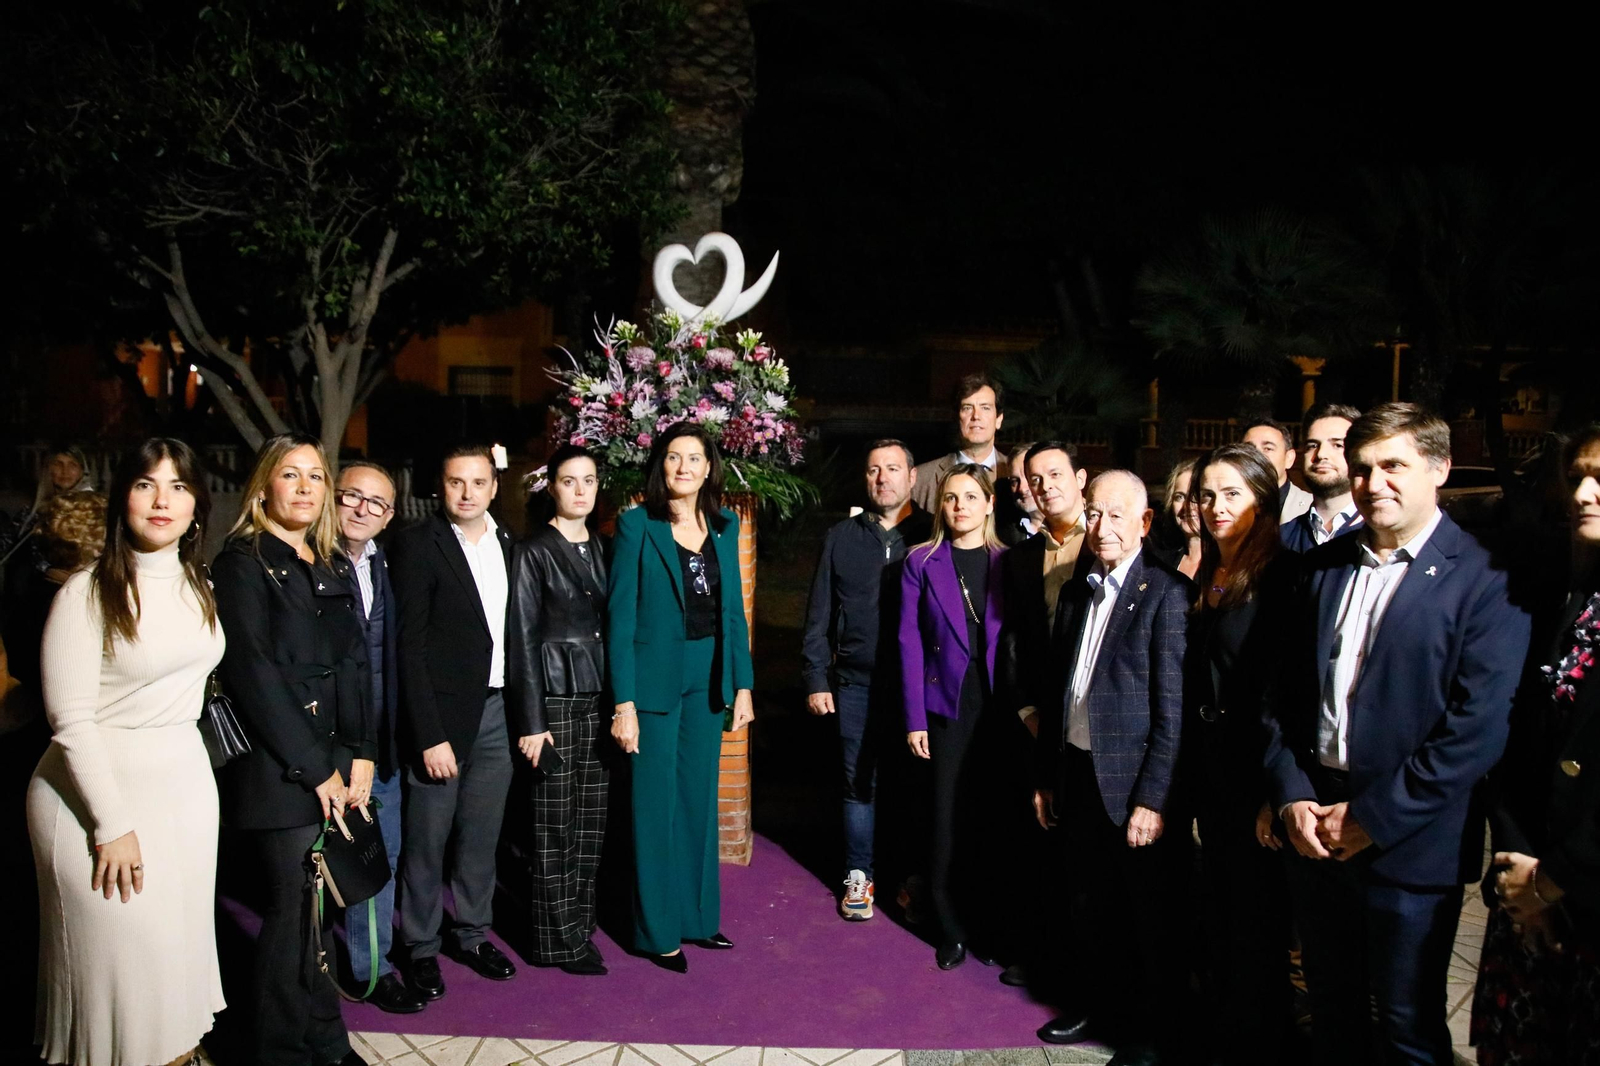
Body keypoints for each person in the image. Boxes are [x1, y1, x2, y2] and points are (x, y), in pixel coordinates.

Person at [1263, 403, 1530, 1066]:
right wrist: (1292, 794)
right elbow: (1281, 695)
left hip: (1412, 846)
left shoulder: (1486, 576)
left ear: (1439, 469)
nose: (1372, 483)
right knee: (1332, 1012)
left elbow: (1477, 730)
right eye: (1361, 469)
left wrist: (1372, 819)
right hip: (1315, 831)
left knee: (1408, 1028)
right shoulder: (1319, 567)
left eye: (1393, 466)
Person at [27, 439, 225, 1066]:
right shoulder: (86, 592)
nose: (162, 500)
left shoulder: (197, 583)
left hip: (183, 791)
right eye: (146, 484)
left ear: (196, 505)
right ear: (123, 498)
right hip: (99, 795)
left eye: (178, 486)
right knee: (120, 975)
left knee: (172, 970)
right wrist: (111, 824)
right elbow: (70, 720)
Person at [212, 433, 370, 1066]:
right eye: (290, 474)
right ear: (263, 487)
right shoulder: (242, 563)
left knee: (316, 912)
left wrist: (362, 752)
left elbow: (356, 663)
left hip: (335, 761)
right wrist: (315, 771)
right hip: (282, 770)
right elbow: (252, 674)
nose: (305, 487)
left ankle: (324, 1042)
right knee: (292, 911)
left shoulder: (332, 561)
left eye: (316, 476)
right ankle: (280, 1051)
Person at [1032, 470, 1188, 1066]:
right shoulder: (1079, 590)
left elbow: (1172, 712)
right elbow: (1059, 690)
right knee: (1087, 903)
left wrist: (1153, 799)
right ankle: (1096, 1007)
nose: (1102, 527)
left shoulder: (1166, 594)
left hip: (1132, 784)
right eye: (1094, 513)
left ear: (1144, 522)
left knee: (1146, 915)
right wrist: (1047, 777)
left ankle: (1148, 1034)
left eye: (1117, 515)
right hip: (1077, 771)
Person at [1472, 424, 1600, 1065]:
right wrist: (1518, 865)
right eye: (1577, 477)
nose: (1584, 494)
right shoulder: (1560, 590)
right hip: (1529, 880)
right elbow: (1519, 733)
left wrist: (1554, 880)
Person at [608, 423, 755, 971]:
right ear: (660, 465)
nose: (684, 467)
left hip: (708, 678)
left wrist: (743, 683)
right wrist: (623, 703)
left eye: (694, 458)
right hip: (653, 682)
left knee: (698, 801)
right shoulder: (636, 525)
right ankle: (657, 931)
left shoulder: (724, 524)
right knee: (654, 807)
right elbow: (620, 618)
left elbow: (734, 611)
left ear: (709, 467)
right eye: (674, 457)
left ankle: (697, 919)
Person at [389, 445, 518, 998]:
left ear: (494, 487)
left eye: (478, 482)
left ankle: (471, 933)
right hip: (442, 718)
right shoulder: (417, 544)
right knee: (427, 840)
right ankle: (420, 945)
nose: (467, 493)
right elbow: (409, 647)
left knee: (481, 837)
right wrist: (429, 734)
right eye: (456, 482)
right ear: (439, 487)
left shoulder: (509, 542)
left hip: (499, 711)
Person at [1185, 443, 1299, 1065]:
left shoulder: (1280, 574)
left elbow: (1284, 691)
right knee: (1222, 909)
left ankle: (1259, 1044)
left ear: (1264, 499)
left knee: (1257, 921)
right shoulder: (1210, 569)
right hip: (1213, 771)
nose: (1216, 506)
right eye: (1207, 494)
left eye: (1232, 493)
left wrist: (1271, 795)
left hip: (1255, 777)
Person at [802, 439, 932, 921]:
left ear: (912, 476)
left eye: (893, 468)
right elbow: (818, 613)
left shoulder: (932, 533)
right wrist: (816, 677)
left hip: (918, 688)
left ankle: (913, 878)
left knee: (915, 784)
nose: (883, 478)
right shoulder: (841, 537)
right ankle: (859, 874)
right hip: (855, 685)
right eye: (874, 469)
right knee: (858, 784)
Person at [506, 445, 613, 975]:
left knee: (591, 823)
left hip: (599, 697)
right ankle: (555, 942)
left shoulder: (604, 546)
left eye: (588, 480)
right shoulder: (533, 551)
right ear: (552, 487)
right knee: (553, 825)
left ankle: (580, 927)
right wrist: (532, 723)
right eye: (569, 480)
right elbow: (521, 637)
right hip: (552, 700)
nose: (580, 490)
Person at [899, 464, 1009, 970]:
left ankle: (988, 923)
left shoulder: (1009, 562)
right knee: (946, 815)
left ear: (989, 504)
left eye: (970, 496)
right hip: (947, 703)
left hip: (999, 706)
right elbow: (909, 642)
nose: (960, 506)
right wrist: (915, 718)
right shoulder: (921, 562)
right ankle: (950, 927)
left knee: (990, 815)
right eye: (950, 497)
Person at [330, 461, 421, 1014]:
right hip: (324, 746)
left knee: (375, 856)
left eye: (377, 503)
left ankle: (371, 967)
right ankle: (309, 968)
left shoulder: (384, 563)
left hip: (379, 743)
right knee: (313, 867)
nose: (362, 509)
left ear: (388, 517)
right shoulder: (305, 561)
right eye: (352, 496)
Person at [911, 373, 1010, 513]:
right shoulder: (921, 479)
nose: (976, 416)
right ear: (957, 418)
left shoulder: (1016, 474)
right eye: (967, 408)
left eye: (985, 408)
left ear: (999, 419)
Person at [1281, 404, 1365, 553]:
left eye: (1337, 445)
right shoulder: (1280, 541)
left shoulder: (1381, 537)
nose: (1321, 454)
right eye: (1313, 445)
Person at [1243, 418, 1313, 525]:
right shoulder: (1225, 506)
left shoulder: (1311, 507)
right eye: (1249, 449)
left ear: (1289, 458)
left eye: (1268, 448)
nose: (1257, 456)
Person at [1150, 458, 1202, 581]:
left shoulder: (1229, 565)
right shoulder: (1159, 564)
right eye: (1179, 497)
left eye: (1196, 496)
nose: (1187, 506)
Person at [996, 441, 1041, 546]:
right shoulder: (1004, 532)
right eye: (1014, 481)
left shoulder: (1076, 526)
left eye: (1030, 477)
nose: (1022, 489)